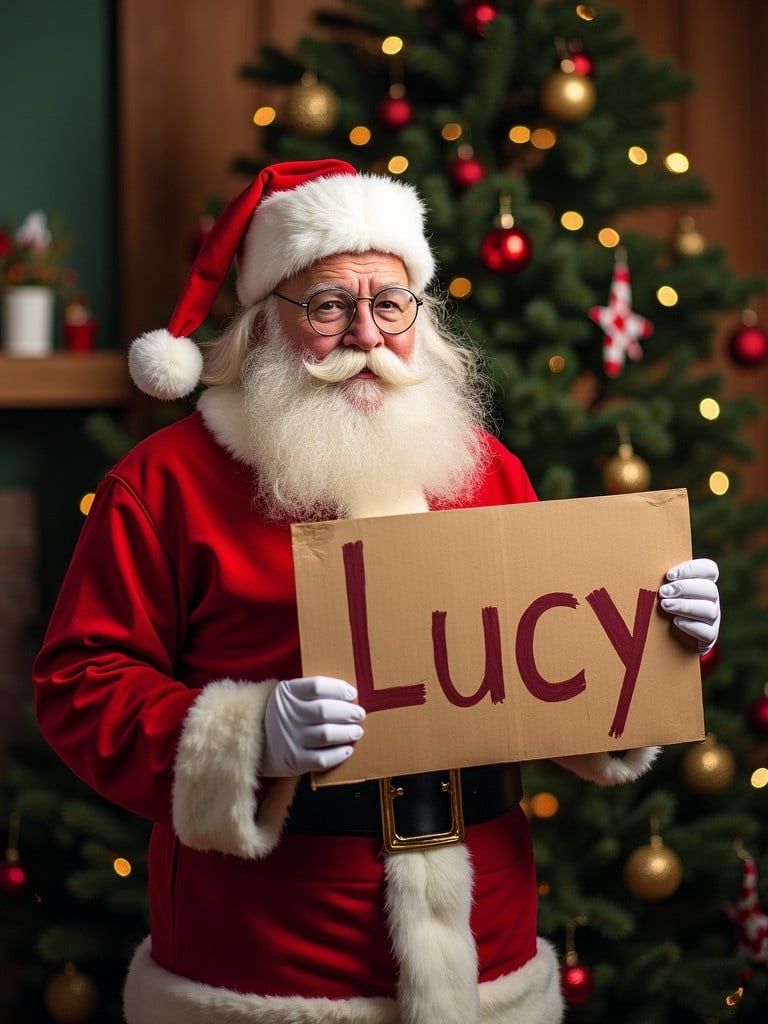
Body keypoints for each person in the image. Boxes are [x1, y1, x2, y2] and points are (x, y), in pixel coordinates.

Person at [32, 159, 721, 1024]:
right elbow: (77, 685)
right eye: (328, 305)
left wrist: (660, 635)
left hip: (486, 941)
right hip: (265, 951)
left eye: (390, 303)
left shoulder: (482, 468)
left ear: (419, 317)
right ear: (266, 323)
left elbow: (556, 669)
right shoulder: (165, 481)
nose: (365, 331)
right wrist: (245, 739)